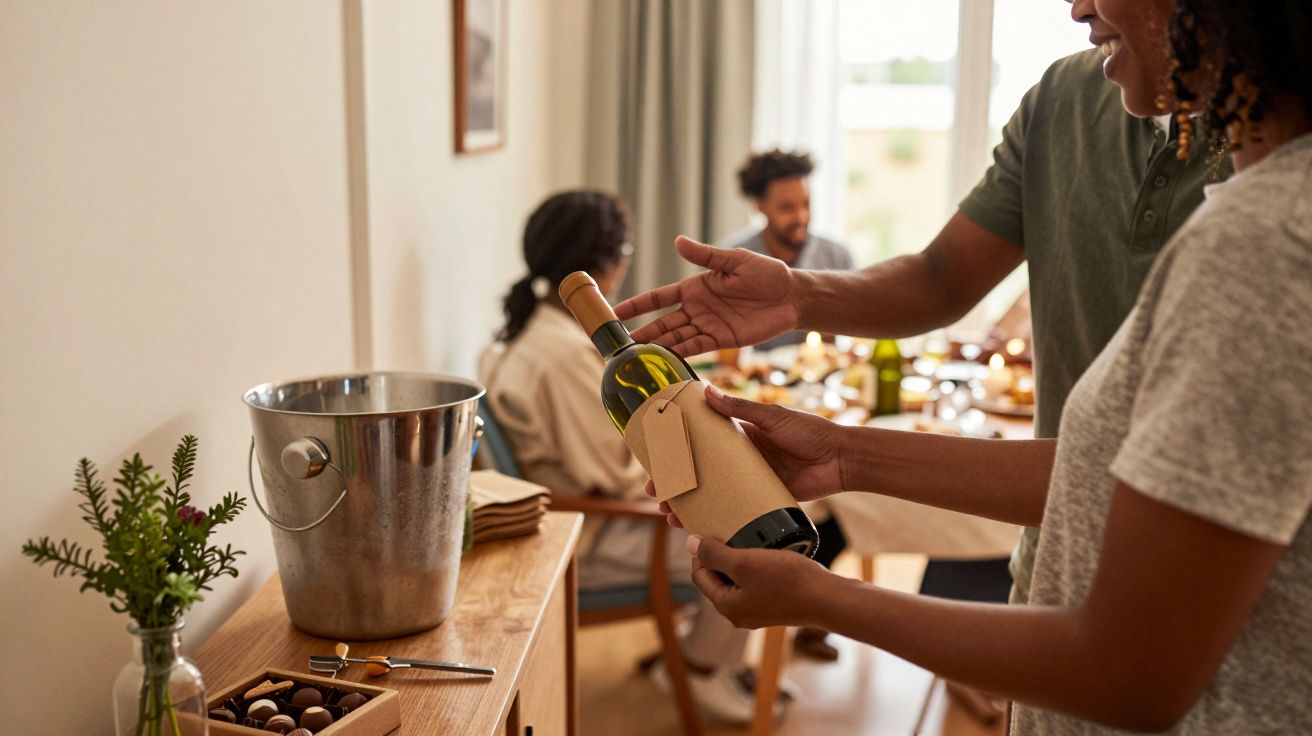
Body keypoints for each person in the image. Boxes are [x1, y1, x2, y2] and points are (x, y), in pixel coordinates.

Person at [654, 0, 1312, 731]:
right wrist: (841, 455)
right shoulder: (1240, 203)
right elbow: (1109, 472)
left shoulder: (1265, 243)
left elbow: (1131, 669)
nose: (1078, 6)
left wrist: (818, 599)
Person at [617, 2, 1228, 609]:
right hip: (1056, 554)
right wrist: (800, 296)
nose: (1077, 8)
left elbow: (1142, 484)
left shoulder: (1272, 193)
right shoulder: (1061, 99)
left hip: (1209, 586)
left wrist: (832, 595)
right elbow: (940, 278)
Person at [478, 190, 779, 724]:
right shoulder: (563, 359)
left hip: (579, 517)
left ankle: (702, 653)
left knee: (744, 508)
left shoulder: (530, 336)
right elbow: (619, 473)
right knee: (757, 545)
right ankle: (700, 666)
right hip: (590, 538)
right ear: (607, 264)